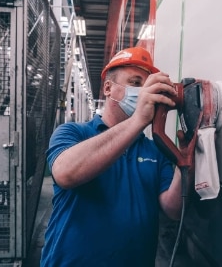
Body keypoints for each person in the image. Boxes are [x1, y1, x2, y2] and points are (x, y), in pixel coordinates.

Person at [40, 47, 187, 266]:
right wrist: (138, 120)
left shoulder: (155, 149)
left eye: (147, 86)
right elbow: (65, 173)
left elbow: (173, 209)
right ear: (108, 88)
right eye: (136, 83)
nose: (143, 92)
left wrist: (183, 161)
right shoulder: (73, 133)